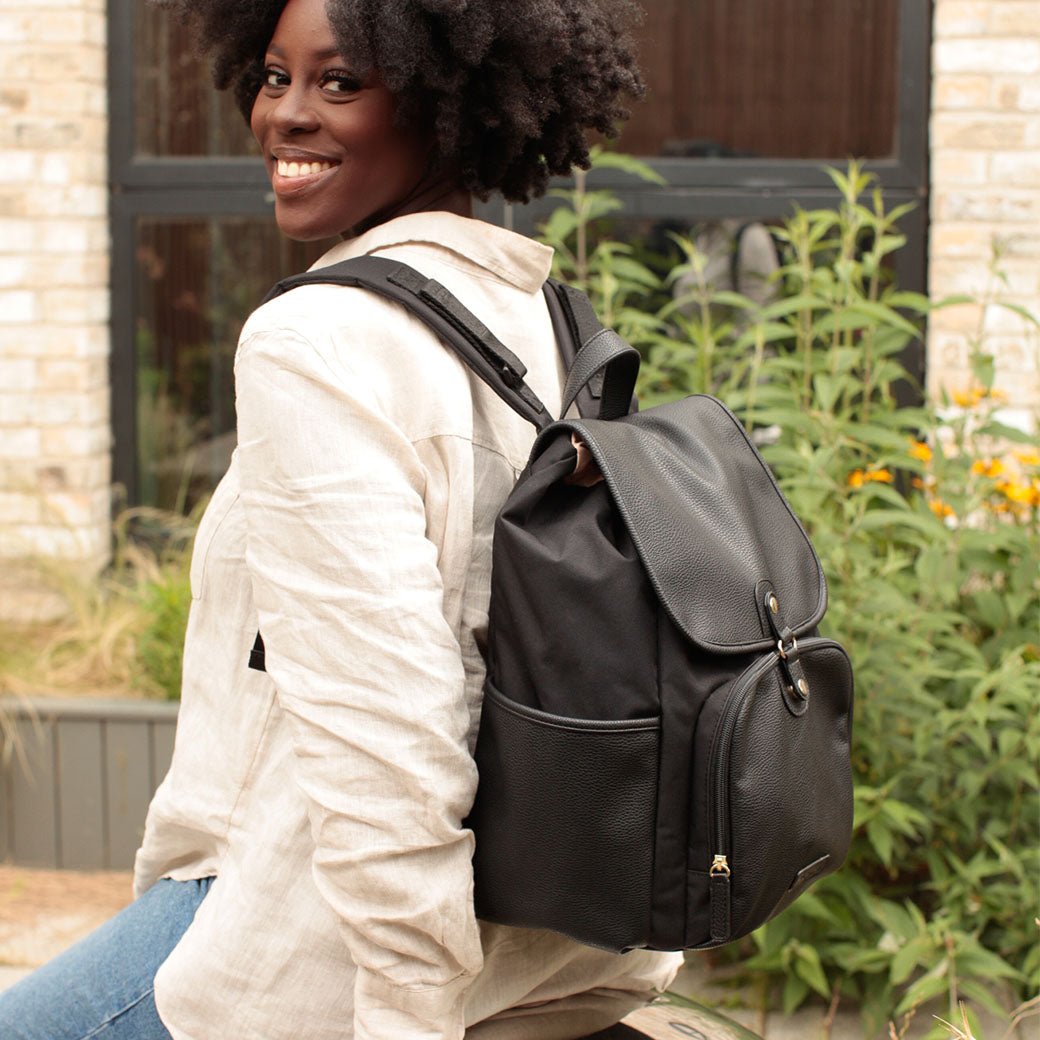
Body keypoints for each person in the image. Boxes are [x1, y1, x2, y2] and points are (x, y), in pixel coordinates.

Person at [0, 0, 683, 1036]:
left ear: (448, 103)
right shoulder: (544, 320)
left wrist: (408, 1007)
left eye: (341, 81)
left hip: (311, 948)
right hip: (535, 938)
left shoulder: (315, 341)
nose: (284, 113)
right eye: (276, 76)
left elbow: (388, 723)